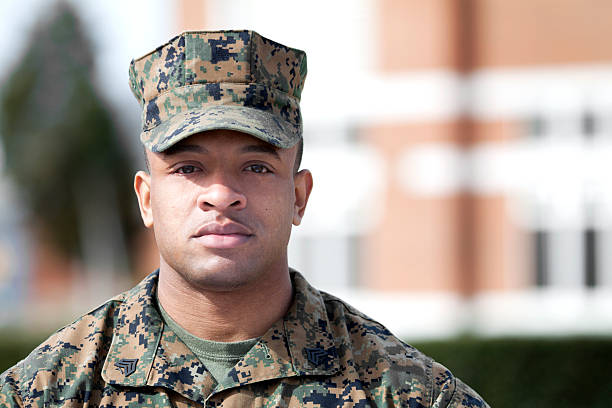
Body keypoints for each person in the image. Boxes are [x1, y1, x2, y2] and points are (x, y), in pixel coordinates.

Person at [0, 30, 489, 407]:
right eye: (188, 167)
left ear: (299, 196)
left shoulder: (407, 393)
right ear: (146, 199)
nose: (221, 195)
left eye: (256, 167)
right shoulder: (46, 392)